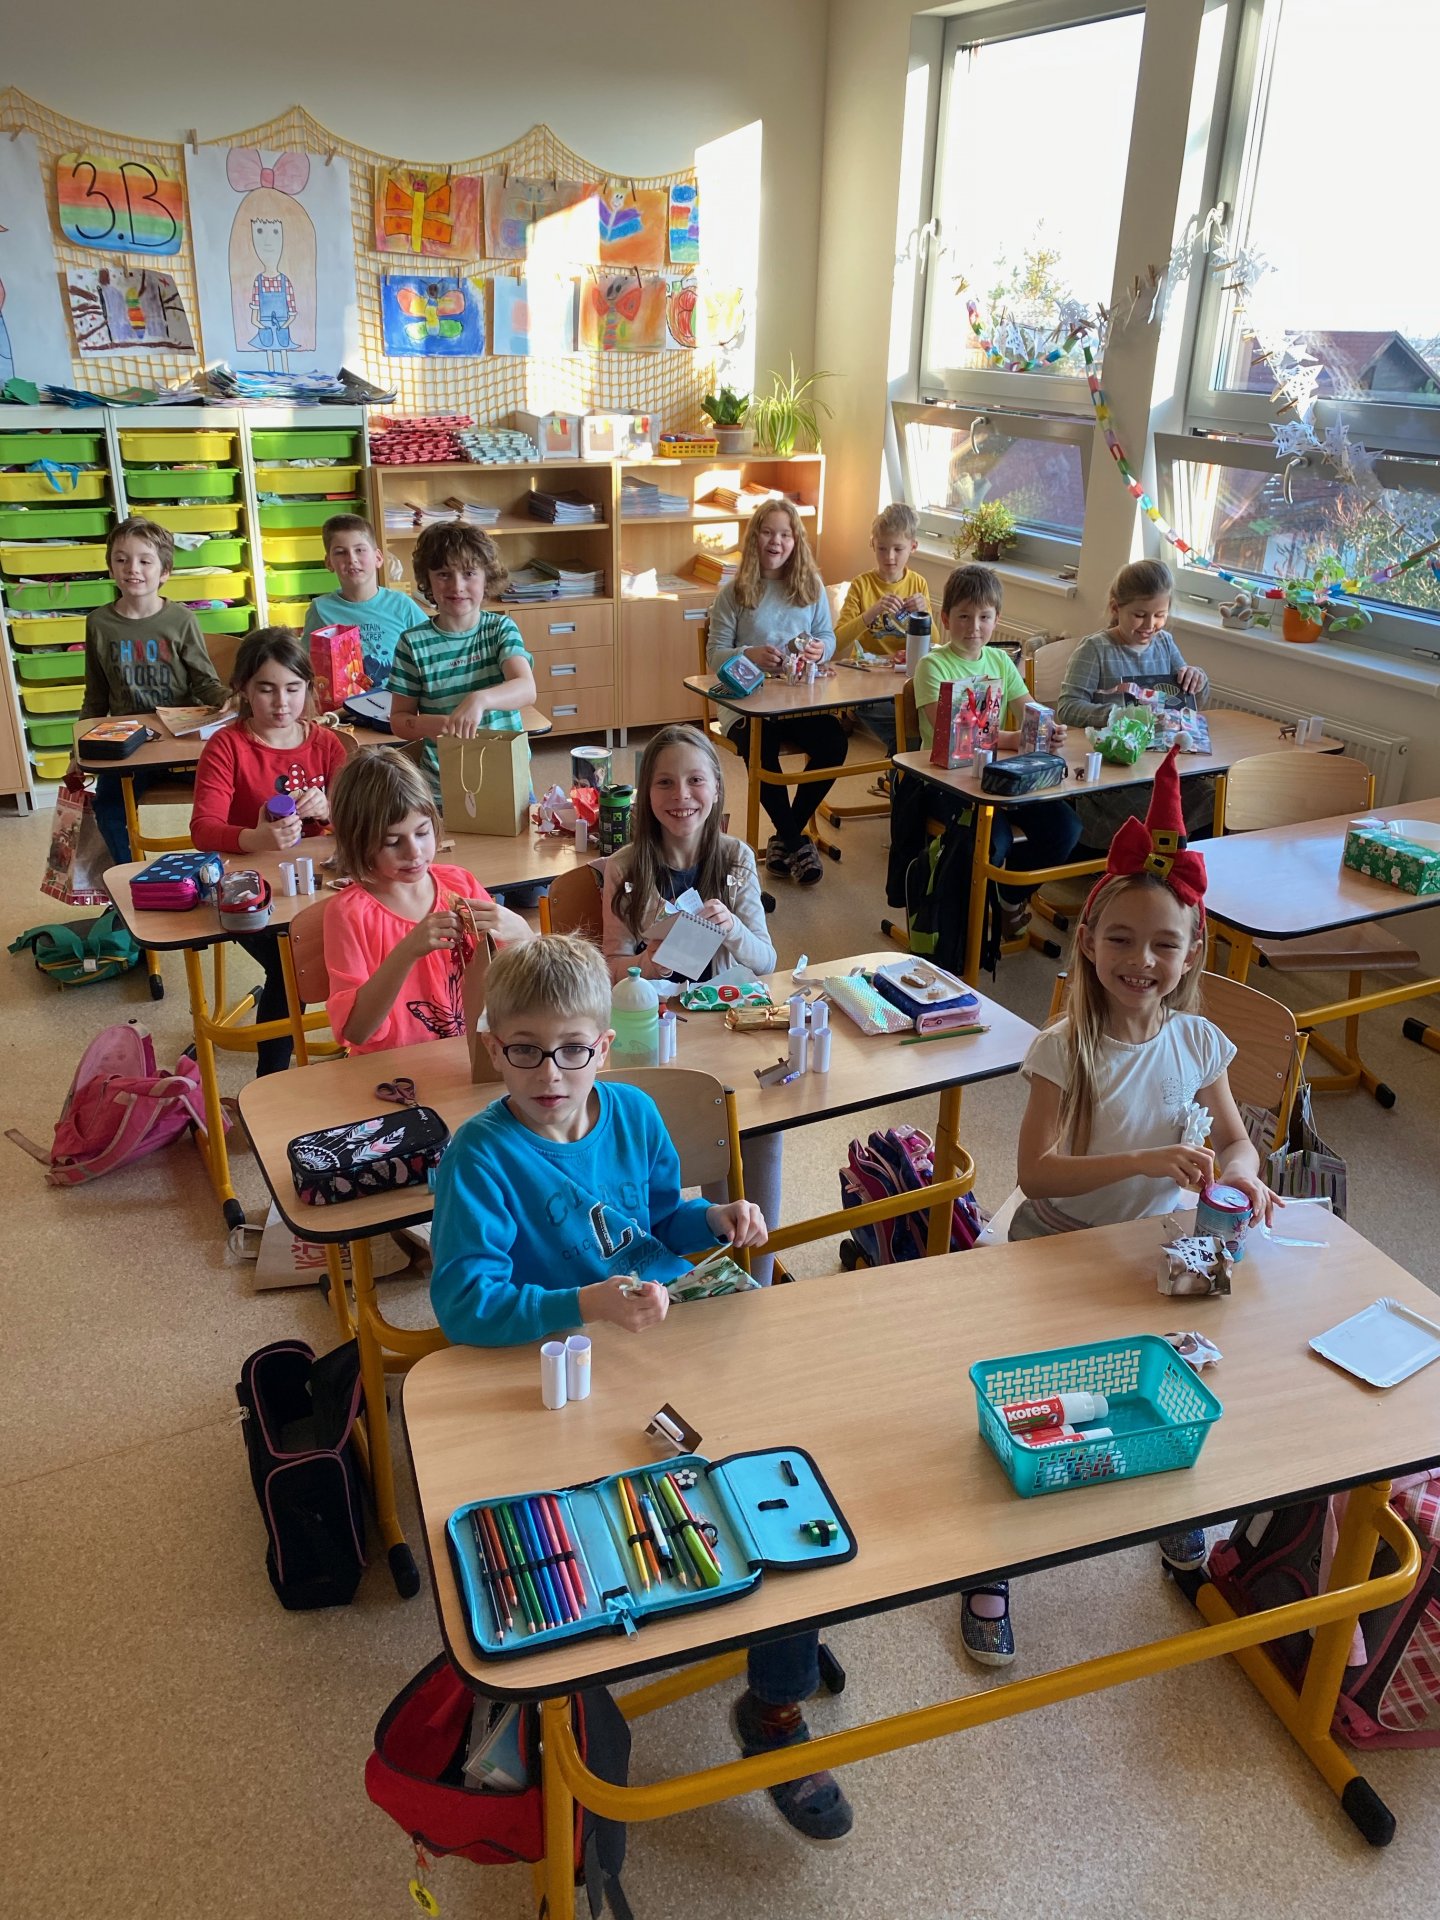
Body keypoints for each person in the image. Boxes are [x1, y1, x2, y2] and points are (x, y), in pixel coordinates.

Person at [429, 935, 849, 1841]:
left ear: (603, 1047)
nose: (550, 1073)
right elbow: (463, 1306)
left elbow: (661, 1220)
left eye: (571, 1049)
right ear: (493, 1046)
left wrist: (713, 1218)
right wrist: (581, 1303)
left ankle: (776, 1687)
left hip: (667, 1335)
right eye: (525, 1050)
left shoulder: (631, 1113)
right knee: (653, 1506)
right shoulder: (480, 1157)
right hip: (568, 1369)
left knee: (776, 1462)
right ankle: (738, 1660)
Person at [957, 747, 1280, 1668]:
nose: (1143, 961)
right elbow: (1038, 1174)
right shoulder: (1066, 1047)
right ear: (1090, 941)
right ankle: (993, 1568)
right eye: (1124, 941)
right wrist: (1145, 1159)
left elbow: (1238, 1141)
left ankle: (1172, 1514)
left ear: (1190, 955)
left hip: (1154, 1251)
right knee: (1035, 1404)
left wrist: (1245, 1175)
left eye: (1164, 945)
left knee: (1170, 1383)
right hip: (1058, 1248)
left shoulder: (1200, 1041)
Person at [601, 723, 781, 1281]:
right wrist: (646, 964)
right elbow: (607, 967)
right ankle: (694, 1255)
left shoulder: (736, 858)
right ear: (646, 794)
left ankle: (755, 1269)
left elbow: (766, 960)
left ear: (716, 789)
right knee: (685, 1128)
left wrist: (732, 930)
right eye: (664, 783)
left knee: (760, 1123)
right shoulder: (625, 867)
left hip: (726, 1025)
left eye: (695, 781)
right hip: (659, 1031)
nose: (681, 796)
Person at [190, 627, 347, 1075]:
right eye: (266, 689)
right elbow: (203, 830)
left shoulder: (326, 743)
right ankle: (270, 1081)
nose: (281, 703)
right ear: (242, 689)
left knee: (362, 938)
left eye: (293, 689)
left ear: (308, 689)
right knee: (290, 965)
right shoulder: (228, 745)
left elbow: (360, 820)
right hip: (248, 891)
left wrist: (332, 809)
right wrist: (255, 839)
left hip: (314, 886)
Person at [324, 748, 532, 1052]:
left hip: (469, 1056)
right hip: (392, 1067)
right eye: (392, 842)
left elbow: (518, 987)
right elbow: (356, 1031)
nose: (414, 852)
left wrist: (524, 935)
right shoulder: (348, 914)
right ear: (358, 843)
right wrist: (407, 951)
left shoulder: (459, 884)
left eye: (422, 832)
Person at [913, 564, 1082, 937]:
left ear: (996, 619)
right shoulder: (931, 666)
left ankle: (1007, 896)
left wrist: (1049, 730)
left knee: (1066, 829)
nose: (974, 627)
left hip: (1003, 777)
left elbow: (1029, 709)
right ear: (946, 619)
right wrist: (1014, 738)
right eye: (964, 616)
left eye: (984, 617)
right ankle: (965, 924)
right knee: (994, 840)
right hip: (947, 781)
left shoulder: (1001, 661)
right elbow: (952, 731)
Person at [706, 497, 842, 886]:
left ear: (796, 540)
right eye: (767, 533)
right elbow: (715, 655)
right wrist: (748, 654)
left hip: (796, 699)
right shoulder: (733, 592)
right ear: (754, 538)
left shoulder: (810, 587)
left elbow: (827, 636)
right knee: (761, 749)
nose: (776, 542)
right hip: (746, 702)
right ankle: (797, 841)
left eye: (785, 534)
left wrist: (821, 649)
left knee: (834, 744)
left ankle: (787, 836)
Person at [77, 515, 228, 864]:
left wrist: (232, 700)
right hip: (128, 746)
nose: (133, 568)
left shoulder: (181, 620)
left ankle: (224, 870)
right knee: (110, 809)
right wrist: (78, 749)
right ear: (111, 567)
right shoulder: (99, 623)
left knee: (229, 795)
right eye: (122, 559)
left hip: (182, 741)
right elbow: (95, 695)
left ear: (164, 572)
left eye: (145, 561)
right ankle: (130, 875)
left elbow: (205, 682)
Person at [1056, 558, 1213, 852]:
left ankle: (1179, 870)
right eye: (1139, 615)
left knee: (1211, 799)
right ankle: (1144, 870)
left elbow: (1191, 704)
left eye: (1160, 615)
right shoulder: (1095, 649)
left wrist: (1198, 679)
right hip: (1113, 773)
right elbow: (1067, 708)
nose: (1150, 625)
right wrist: (1119, 715)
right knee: (1153, 810)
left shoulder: (1164, 643)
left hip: (1159, 765)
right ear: (1116, 608)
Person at [386, 521, 538, 807]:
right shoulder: (412, 643)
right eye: (443, 574)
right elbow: (399, 720)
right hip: (443, 788)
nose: (457, 586)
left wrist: (480, 699)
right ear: (428, 580)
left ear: (486, 577)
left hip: (508, 779)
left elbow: (526, 688)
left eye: (469, 573)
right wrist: (431, 725)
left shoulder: (500, 629)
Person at [835, 502, 932, 755]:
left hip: (904, 679)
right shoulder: (861, 585)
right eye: (882, 549)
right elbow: (837, 640)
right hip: (865, 680)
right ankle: (900, 767)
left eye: (898, 549)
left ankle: (899, 767)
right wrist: (871, 613)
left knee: (923, 720)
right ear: (872, 544)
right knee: (907, 732)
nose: (889, 557)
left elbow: (934, 644)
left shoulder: (918, 584)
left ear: (913, 547)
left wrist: (924, 615)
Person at [300, 513, 427, 692]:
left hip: (397, 704)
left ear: (378, 558)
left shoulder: (402, 605)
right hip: (345, 707)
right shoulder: (320, 609)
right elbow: (306, 666)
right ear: (329, 563)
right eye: (340, 552)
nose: (352, 559)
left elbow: (430, 652)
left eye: (360, 550)